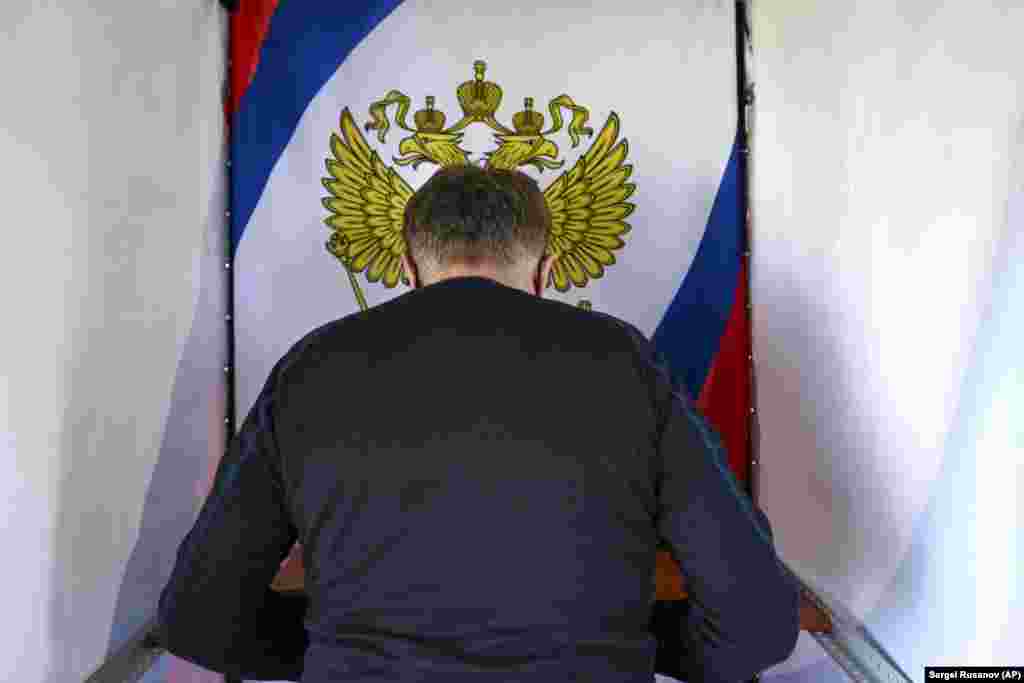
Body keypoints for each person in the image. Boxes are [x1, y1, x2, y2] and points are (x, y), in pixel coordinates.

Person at [156, 165, 800, 682]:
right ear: (546, 273)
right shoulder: (625, 364)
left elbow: (196, 614)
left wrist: (326, 661)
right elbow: (759, 618)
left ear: (408, 273)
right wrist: (650, 652)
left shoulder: (311, 369)